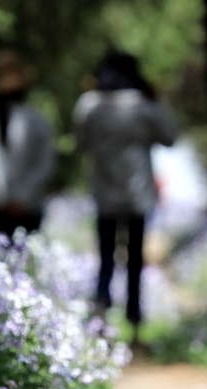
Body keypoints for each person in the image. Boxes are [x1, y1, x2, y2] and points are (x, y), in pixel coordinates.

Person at [73, 51, 177, 344]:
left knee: (106, 258)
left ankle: (100, 320)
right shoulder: (144, 105)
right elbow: (170, 137)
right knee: (134, 261)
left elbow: (80, 142)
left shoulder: (89, 105)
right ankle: (135, 327)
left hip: (104, 192)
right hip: (137, 194)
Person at [0, 50, 56, 238]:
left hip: (23, 209)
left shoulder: (36, 121)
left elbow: (45, 164)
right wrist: (4, 199)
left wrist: (17, 199)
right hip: (0, 209)